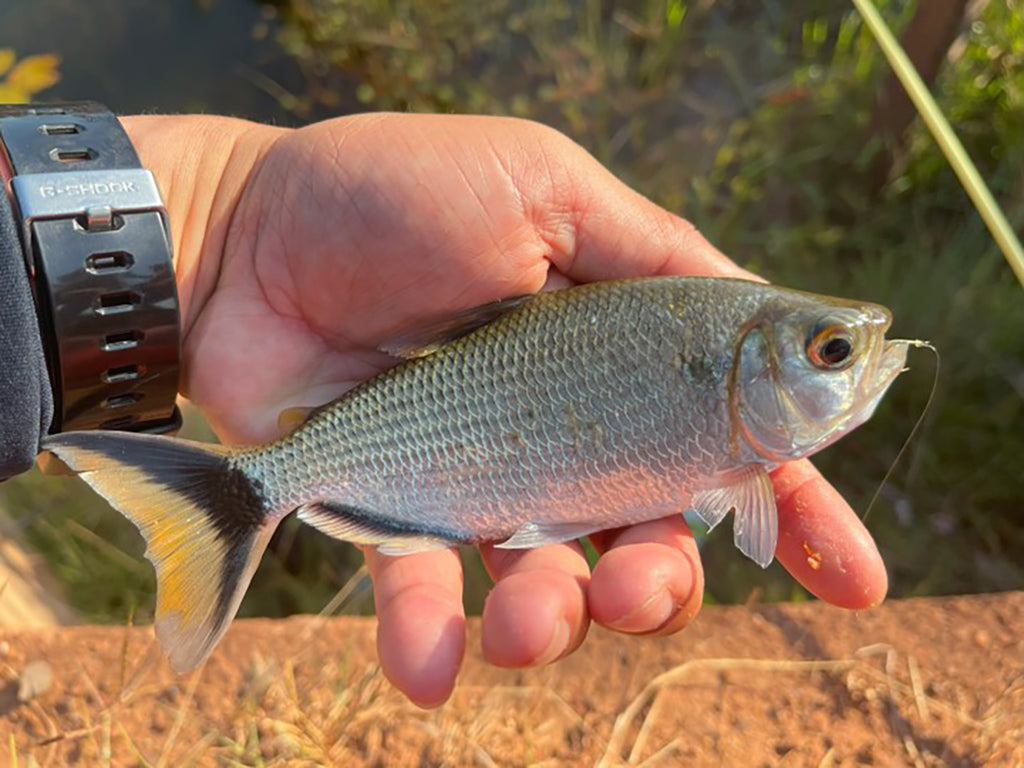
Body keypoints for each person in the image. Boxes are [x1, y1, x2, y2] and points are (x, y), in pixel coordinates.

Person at [4, 112, 887, 708]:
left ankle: (239, 493)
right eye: (831, 351)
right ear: (748, 359)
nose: (851, 360)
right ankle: (241, 496)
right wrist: (230, 213)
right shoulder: (723, 380)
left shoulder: (727, 386)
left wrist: (227, 210)